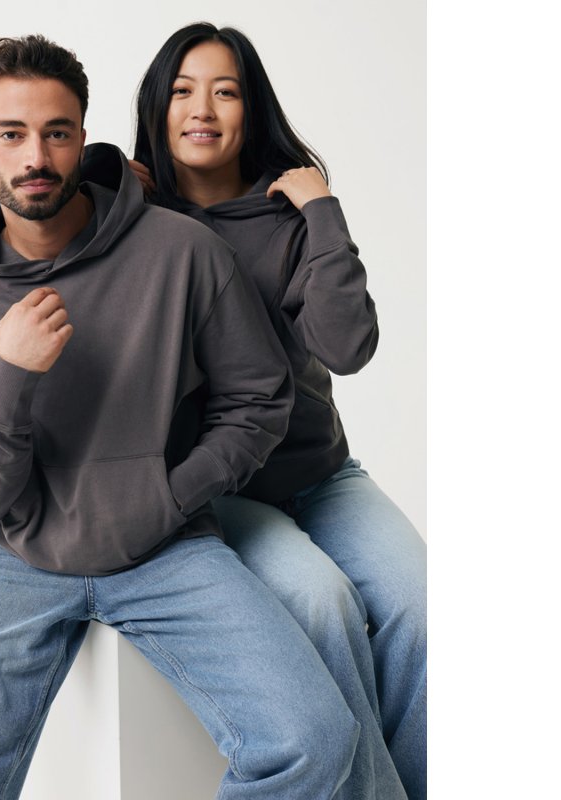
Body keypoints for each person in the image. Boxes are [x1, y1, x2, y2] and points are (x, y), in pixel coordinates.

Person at [0, 34, 375, 800]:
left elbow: (258, 399)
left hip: (170, 549)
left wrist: (169, 497)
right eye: (12, 135)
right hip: (22, 560)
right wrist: (9, 377)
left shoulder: (181, 252)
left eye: (56, 132)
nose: (36, 157)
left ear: (83, 137)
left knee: (314, 739)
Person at [129, 22, 427, 799]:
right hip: (225, 490)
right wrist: (111, 192)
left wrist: (323, 210)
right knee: (324, 603)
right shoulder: (138, 222)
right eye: (183, 91)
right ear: (157, 106)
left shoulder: (291, 215)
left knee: (423, 603)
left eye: (225, 91)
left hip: (323, 475)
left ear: (251, 109)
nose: (203, 109)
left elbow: (348, 346)